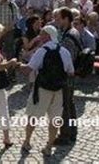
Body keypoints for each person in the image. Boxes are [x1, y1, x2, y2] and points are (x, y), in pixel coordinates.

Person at [20, 25, 74, 156]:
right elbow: (71, 72)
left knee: (33, 116)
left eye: (42, 34)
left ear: (48, 36)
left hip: (42, 89)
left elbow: (28, 70)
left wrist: (18, 65)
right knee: (55, 119)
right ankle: (49, 146)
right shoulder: (64, 51)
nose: (40, 36)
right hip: (59, 90)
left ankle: (27, 141)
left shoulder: (41, 51)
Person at [53, 7, 80, 145]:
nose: (56, 21)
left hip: (66, 75)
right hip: (69, 73)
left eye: (58, 18)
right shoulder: (70, 32)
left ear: (66, 19)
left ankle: (65, 135)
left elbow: (67, 58)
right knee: (70, 103)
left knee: (65, 105)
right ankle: (72, 132)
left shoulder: (69, 35)